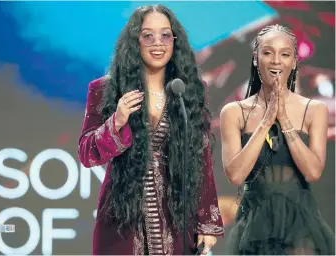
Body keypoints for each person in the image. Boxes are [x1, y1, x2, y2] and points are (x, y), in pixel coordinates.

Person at [78, 4, 224, 255]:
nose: (158, 43)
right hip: (122, 219)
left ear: (175, 40)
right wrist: (117, 121)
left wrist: (207, 224)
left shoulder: (188, 90)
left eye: (165, 35)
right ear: (135, 41)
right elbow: (87, 154)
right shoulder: (105, 89)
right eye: (148, 35)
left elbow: (201, 159)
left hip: (176, 214)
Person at [220, 24, 335, 255]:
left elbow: (313, 172)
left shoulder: (315, 110)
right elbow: (235, 175)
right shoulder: (233, 112)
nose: (276, 61)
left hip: (300, 221)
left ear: (294, 61)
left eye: (284, 54)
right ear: (255, 59)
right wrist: (264, 123)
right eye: (267, 52)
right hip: (253, 221)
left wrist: (286, 122)